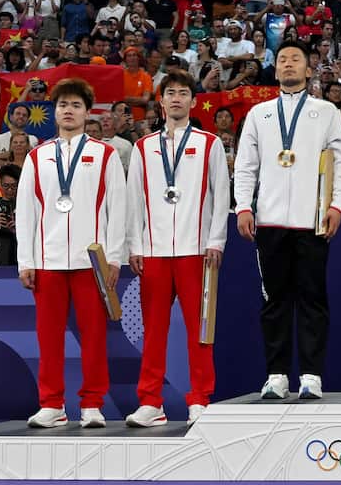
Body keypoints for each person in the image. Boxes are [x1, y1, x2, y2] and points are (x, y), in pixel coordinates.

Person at [233, 41, 341, 400]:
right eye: (282, 60)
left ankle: (312, 375)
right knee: (274, 301)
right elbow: (245, 164)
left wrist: (337, 205)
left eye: (295, 60)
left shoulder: (326, 110)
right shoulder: (259, 114)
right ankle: (277, 374)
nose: (288, 65)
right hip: (269, 222)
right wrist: (243, 206)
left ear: (308, 69)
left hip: (312, 220)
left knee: (313, 300)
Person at [16, 78, 126, 429]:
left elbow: (117, 209)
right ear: (54, 111)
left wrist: (114, 258)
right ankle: (52, 404)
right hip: (47, 261)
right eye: (63, 104)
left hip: (91, 262)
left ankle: (92, 403)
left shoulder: (105, 154)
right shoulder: (37, 157)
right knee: (48, 337)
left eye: (76, 105)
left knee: (93, 336)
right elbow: (27, 211)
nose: (68, 110)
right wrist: (26, 261)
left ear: (86, 112)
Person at [124, 72, 229, 427]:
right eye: (170, 93)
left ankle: (199, 397)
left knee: (199, 329)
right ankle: (151, 401)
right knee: (153, 330)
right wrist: (134, 246)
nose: (177, 99)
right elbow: (133, 201)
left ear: (193, 101)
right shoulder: (143, 148)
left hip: (196, 249)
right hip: (153, 250)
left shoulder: (209, 143)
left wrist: (216, 241)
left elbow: (220, 198)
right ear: (161, 101)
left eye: (184, 93)